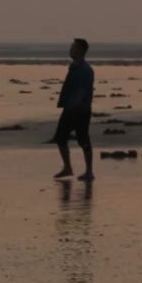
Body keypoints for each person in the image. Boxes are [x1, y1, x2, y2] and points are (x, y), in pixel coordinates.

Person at [52, 37, 95, 181]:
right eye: (71, 47)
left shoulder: (85, 69)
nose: (71, 50)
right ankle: (67, 167)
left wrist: (75, 106)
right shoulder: (74, 66)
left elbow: (83, 91)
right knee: (60, 138)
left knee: (83, 140)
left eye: (74, 48)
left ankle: (89, 171)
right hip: (70, 108)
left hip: (80, 110)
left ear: (81, 51)